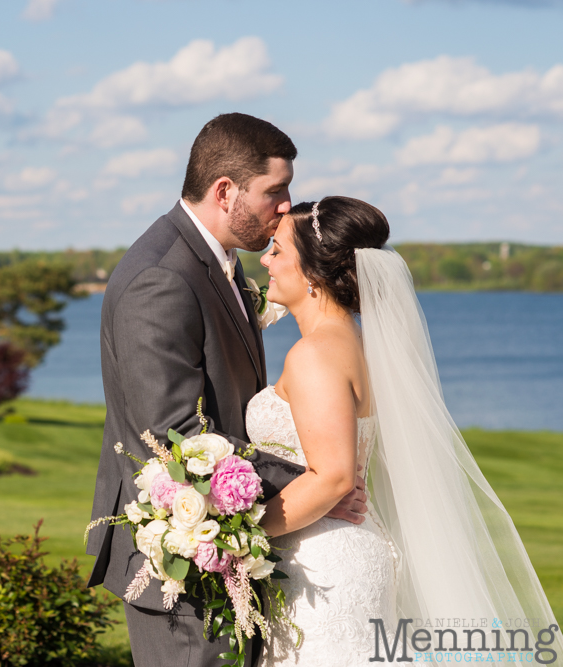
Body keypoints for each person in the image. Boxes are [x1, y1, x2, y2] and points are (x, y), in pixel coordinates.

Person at [86, 113, 368, 667]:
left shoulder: (223, 265)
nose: (287, 205)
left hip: (241, 549)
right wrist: (318, 481)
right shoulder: (162, 278)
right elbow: (175, 437)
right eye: (276, 191)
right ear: (225, 191)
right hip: (185, 563)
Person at [250, 196, 561, 666]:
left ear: (314, 273)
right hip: (342, 547)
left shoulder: (315, 355)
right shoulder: (359, 345)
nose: (266, 260)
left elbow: (332, 476)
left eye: (277, 250)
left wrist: (243, 535)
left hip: (323, 565)